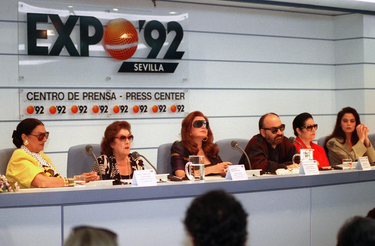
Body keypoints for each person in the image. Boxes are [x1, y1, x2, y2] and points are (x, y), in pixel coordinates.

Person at [6, 118, 99, 189]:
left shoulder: (42, 156)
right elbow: (43, 183)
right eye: (40, 136)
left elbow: (57, 180)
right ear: (25, 137)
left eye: (46, 135)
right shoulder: (19, 158)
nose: (45, 140)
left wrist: (81, 180)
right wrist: (76, 180)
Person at [170, 111, 231, 178]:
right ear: (188, 129)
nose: (203, 127)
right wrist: (211, 169)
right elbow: (180, 175)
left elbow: (219, 169)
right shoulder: (179, 147)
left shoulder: (211, 149)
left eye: (206, 124)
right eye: (198, 124)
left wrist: (225, 169)